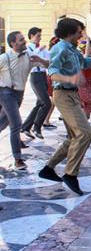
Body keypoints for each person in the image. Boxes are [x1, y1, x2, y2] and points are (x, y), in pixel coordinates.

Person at [39, 18, 91, 195]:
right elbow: (53, 72)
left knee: (74, 137)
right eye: (79, 31)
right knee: (85, 133)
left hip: (72, 94)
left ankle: (48, 169)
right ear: (70, 32)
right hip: (63, 94)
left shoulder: (72, 49)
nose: (81, 34)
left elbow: (86, 63)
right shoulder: (60, 48)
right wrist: (70, 79)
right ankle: (70, 174)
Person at [0, 31, 49, 170]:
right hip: (5, 92)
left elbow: (47, 65)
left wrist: (40, 59)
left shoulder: (29, 56)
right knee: (16, 123)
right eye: (21, 40)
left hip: (18, 94)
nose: (24, 42)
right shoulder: (4, 58)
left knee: (3, 123)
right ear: (13, 44)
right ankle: (18, 159)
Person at [21, 27, 51, 140]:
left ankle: (25, 127)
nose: (40, 38)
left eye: (40, 36)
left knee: (39, 104)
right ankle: (36, 127)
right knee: (46, 103)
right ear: (31, 36)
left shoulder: (42, 49)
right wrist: (40, 52)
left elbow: (48, 60)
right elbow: (33, 59)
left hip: (43, 76)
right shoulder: (28, 48)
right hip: (35, 76)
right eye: (38, 36)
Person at [43, 37, 61, 129]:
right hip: (54, 78)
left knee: (54, 101)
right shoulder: (55, 53)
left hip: (51, 77)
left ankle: (46, 119)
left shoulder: (51, 53)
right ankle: (45, 120)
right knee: (54, 101)